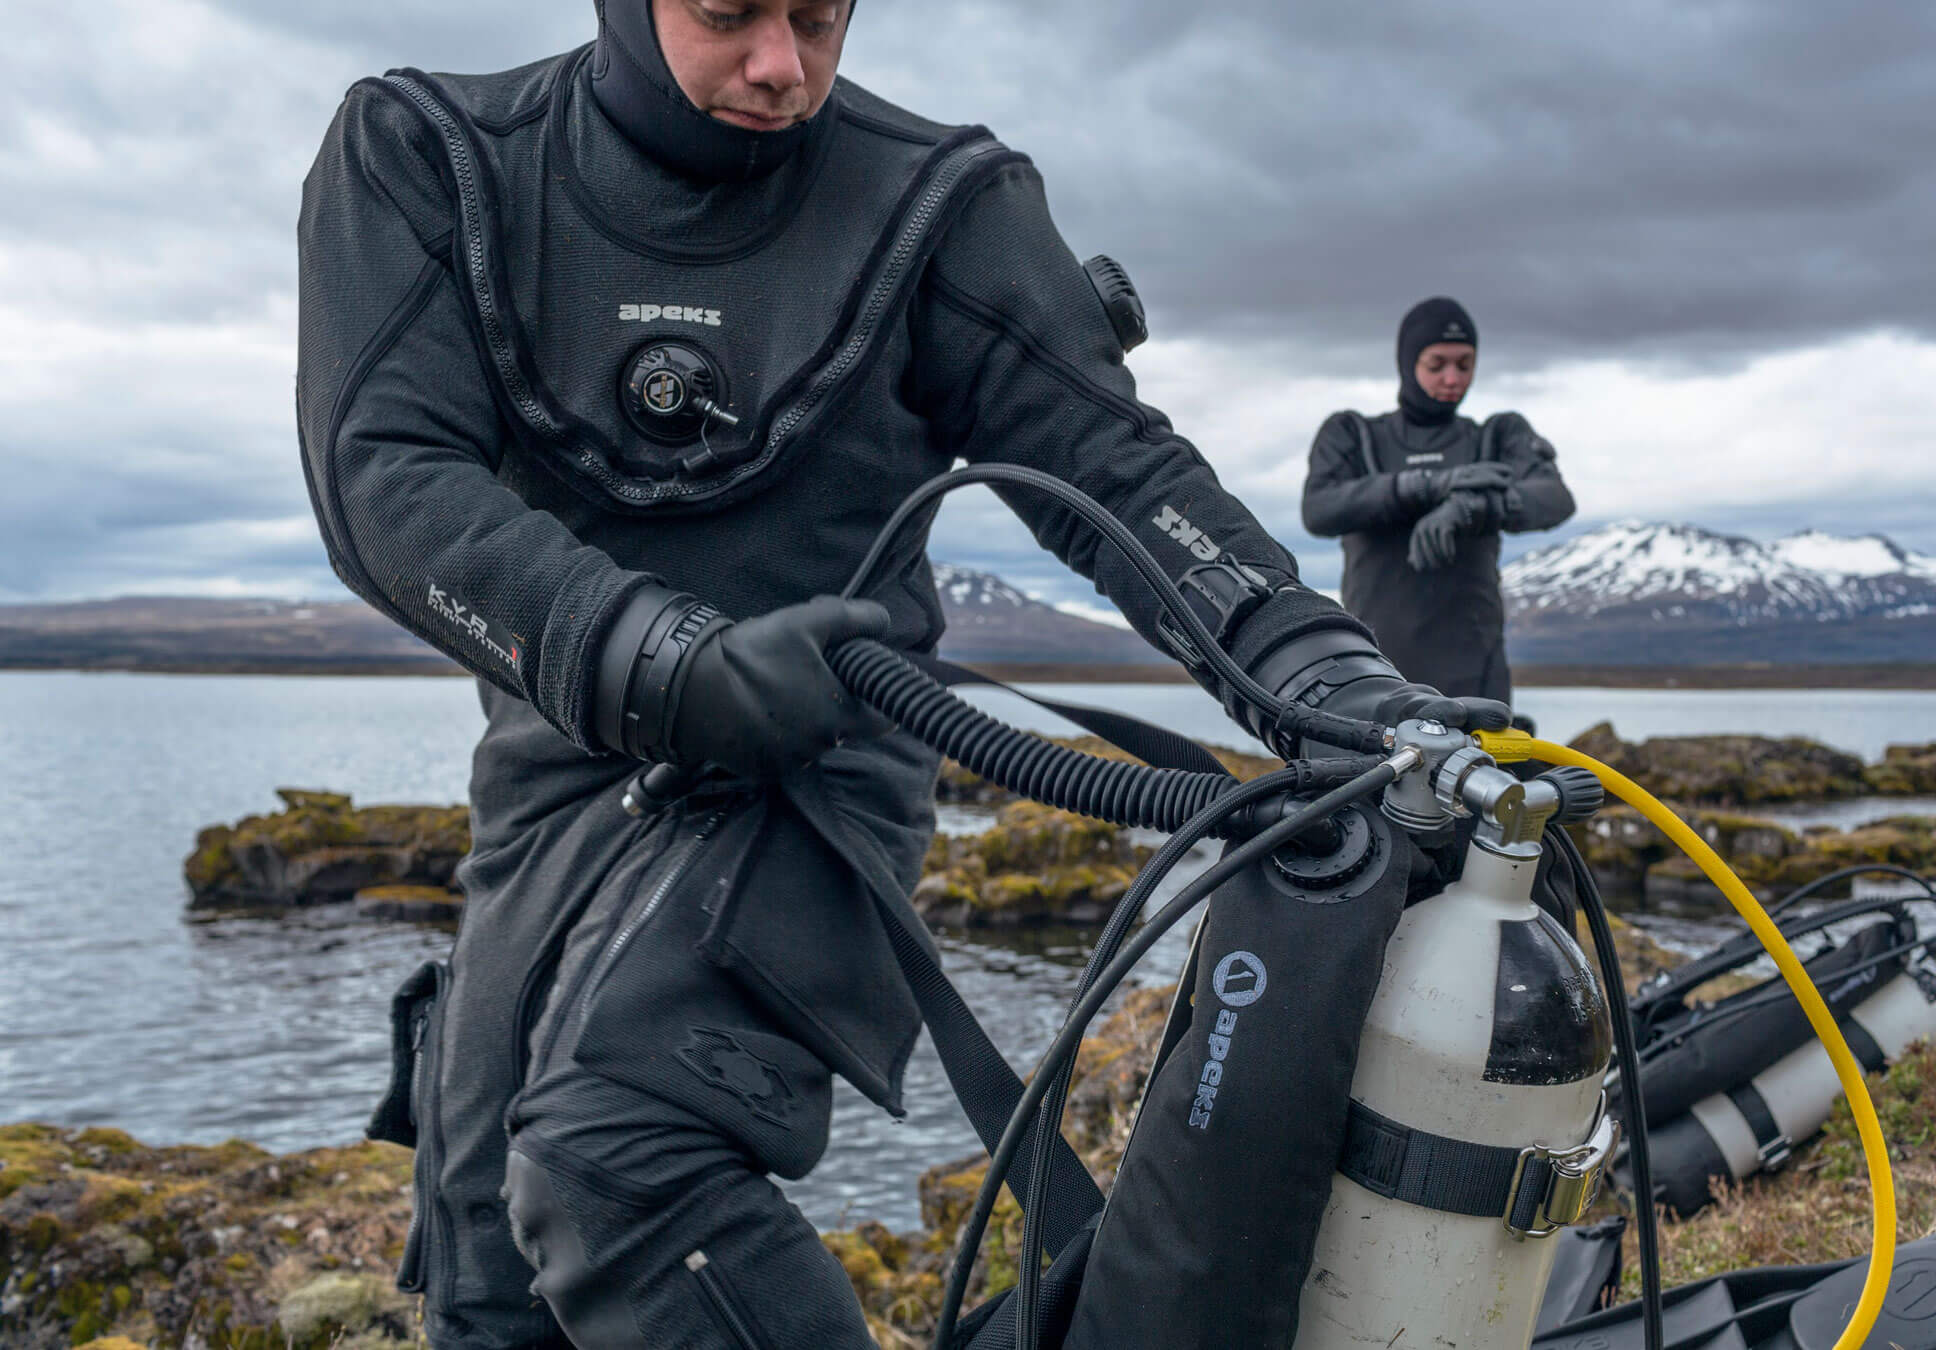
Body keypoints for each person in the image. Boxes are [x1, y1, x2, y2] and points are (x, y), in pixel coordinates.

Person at [297, 4, 1508, 1346]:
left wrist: (1319, 667)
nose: (781, 66)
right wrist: (659, 656)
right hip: (558, 762)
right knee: (485, 1269)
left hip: (820, 758)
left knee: (611, 1163)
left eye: (819, 19)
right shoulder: (433, 156)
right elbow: (383, 476)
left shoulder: (937, 203)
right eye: (730, 13)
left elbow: (1119, 475)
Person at [1301, 297, 1576, 706]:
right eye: (1437, 365)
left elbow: (1555, 499)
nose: (1452, 378)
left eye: (1465, 365)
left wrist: (1473, 508)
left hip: (1474, 672)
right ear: (1408, 362)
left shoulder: (1497, 436)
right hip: (1373, 668)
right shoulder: (1354, 436)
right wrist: (1425, 487)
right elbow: (1319, 509)